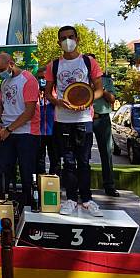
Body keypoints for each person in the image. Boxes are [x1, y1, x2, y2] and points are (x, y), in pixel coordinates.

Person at [44, 26, 104, 217]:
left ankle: (87, 200)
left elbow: (99, 89)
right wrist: (57, 101)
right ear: (58, 42)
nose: (67, 41)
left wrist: (87, 101)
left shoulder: (88, 62)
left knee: (84, 161)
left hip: (84, 118)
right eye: (63, 38)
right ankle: (70, 200)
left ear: (77, 39)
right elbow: (47, 93)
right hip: (62, 119)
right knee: (67, 162)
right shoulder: (53, 65)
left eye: (70, 37)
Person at [0, 53, 40, 205]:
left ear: (11, 64)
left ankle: (28, 205)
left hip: (26, 133)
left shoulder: (28, 80)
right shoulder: (5, 82)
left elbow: (29, 112)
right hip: (6, 132)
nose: (0, 73)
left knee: (26, 171)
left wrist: (9, 129)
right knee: (3, 170)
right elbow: (2, 106)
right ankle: (1, 204)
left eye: (2, 69)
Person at [87, 54, 119, 197]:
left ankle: (109, 185)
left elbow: (112, 99)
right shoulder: (80, 78)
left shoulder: (105, 79)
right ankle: (83, 187)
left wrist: (100, 89)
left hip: (102, 118)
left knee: (106, 153)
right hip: (85, 119)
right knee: (83, 155)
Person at [36, 67, 60, 176]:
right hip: (38, 131)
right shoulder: (34, 92)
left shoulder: (57, 91)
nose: (42, 80)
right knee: (38, 159)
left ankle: (54, 183)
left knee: (55, 158)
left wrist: (49, 96)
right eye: (39, 78)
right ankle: (40, 184)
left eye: (44, 78)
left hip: (54, 130)